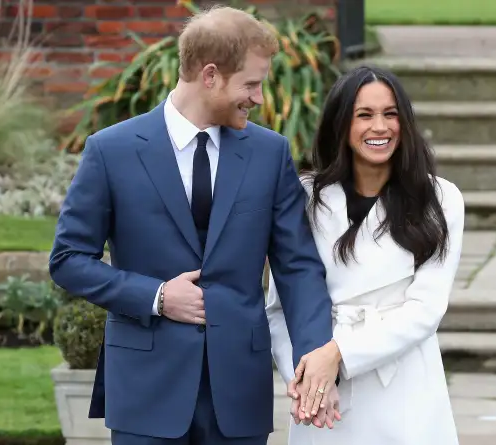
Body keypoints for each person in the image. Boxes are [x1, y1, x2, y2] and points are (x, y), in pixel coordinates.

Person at [49, 6, 341, 445]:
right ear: (210, 76)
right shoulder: (111, 150)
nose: (258, 98)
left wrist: (315, 360)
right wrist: (157, 296)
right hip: (146, 390)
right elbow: (68, 260)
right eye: (251, 84)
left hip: (239, 392)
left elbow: (298, 268)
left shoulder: (269, 154)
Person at [266, 65, 465, 444]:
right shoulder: (304, 197)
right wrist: (307, 376)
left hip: (404, 385)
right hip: (324, 395)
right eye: (364, 115)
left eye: (391, 114)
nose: (380, 127)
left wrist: (338, 354)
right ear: (341, 125)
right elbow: (279, 307)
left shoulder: (439, 199)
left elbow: (425, 310)